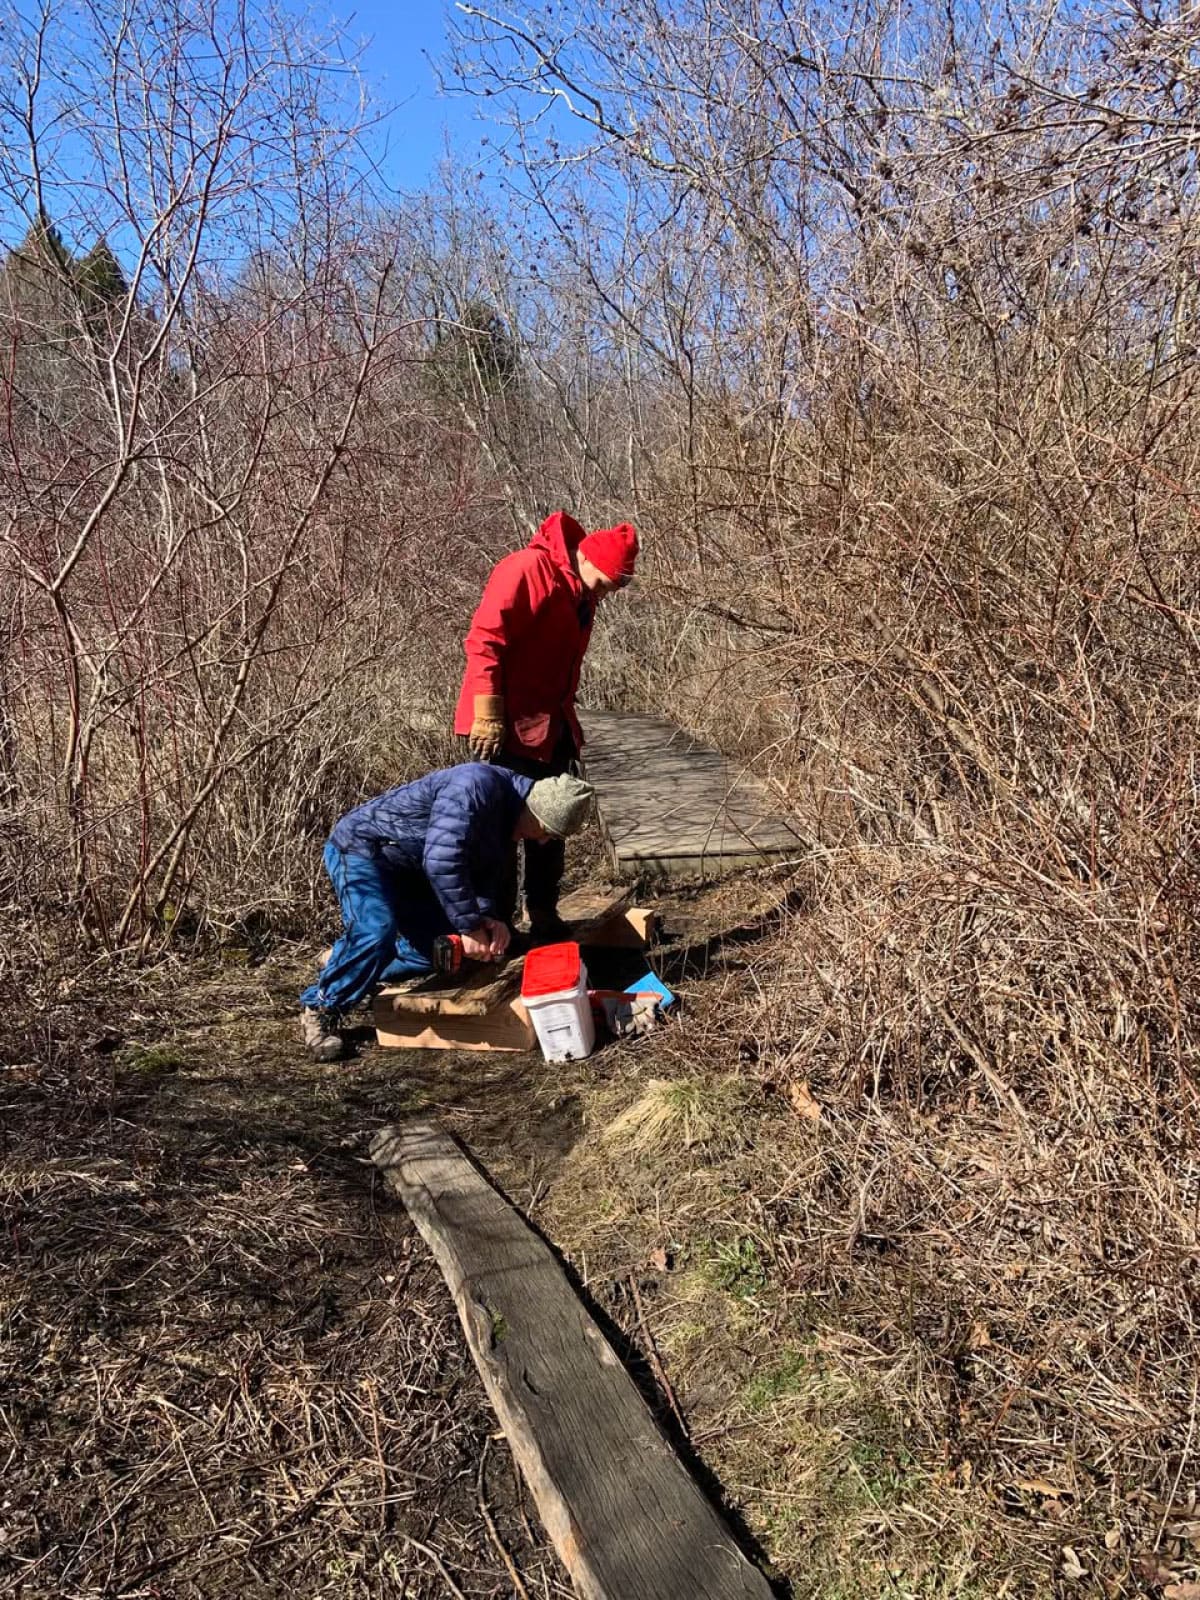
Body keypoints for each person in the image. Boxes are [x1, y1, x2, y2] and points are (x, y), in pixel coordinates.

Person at [299, 764, 595, 1062]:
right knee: (377, 931)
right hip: (363, 850)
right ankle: (322, 1007)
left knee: (442, 951)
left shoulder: (506, 816)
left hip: (411, 867)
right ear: (536, 811)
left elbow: (480, 876)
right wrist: (470, 929)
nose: (542, 841)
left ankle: (343, 960)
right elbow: (442, 860)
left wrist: (487, 920)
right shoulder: (474, 787)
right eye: (546, 831)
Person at [454, 511, 639, 939]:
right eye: (609, 583)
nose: (607, 594)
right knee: (499, 828)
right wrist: (488, 713)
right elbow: (485, 640)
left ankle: (542, 914)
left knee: (554, 821)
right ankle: (497, 925)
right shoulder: (525, 569)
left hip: (550, 725)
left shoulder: (583, 595)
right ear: (589, 561)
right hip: (503, 725)